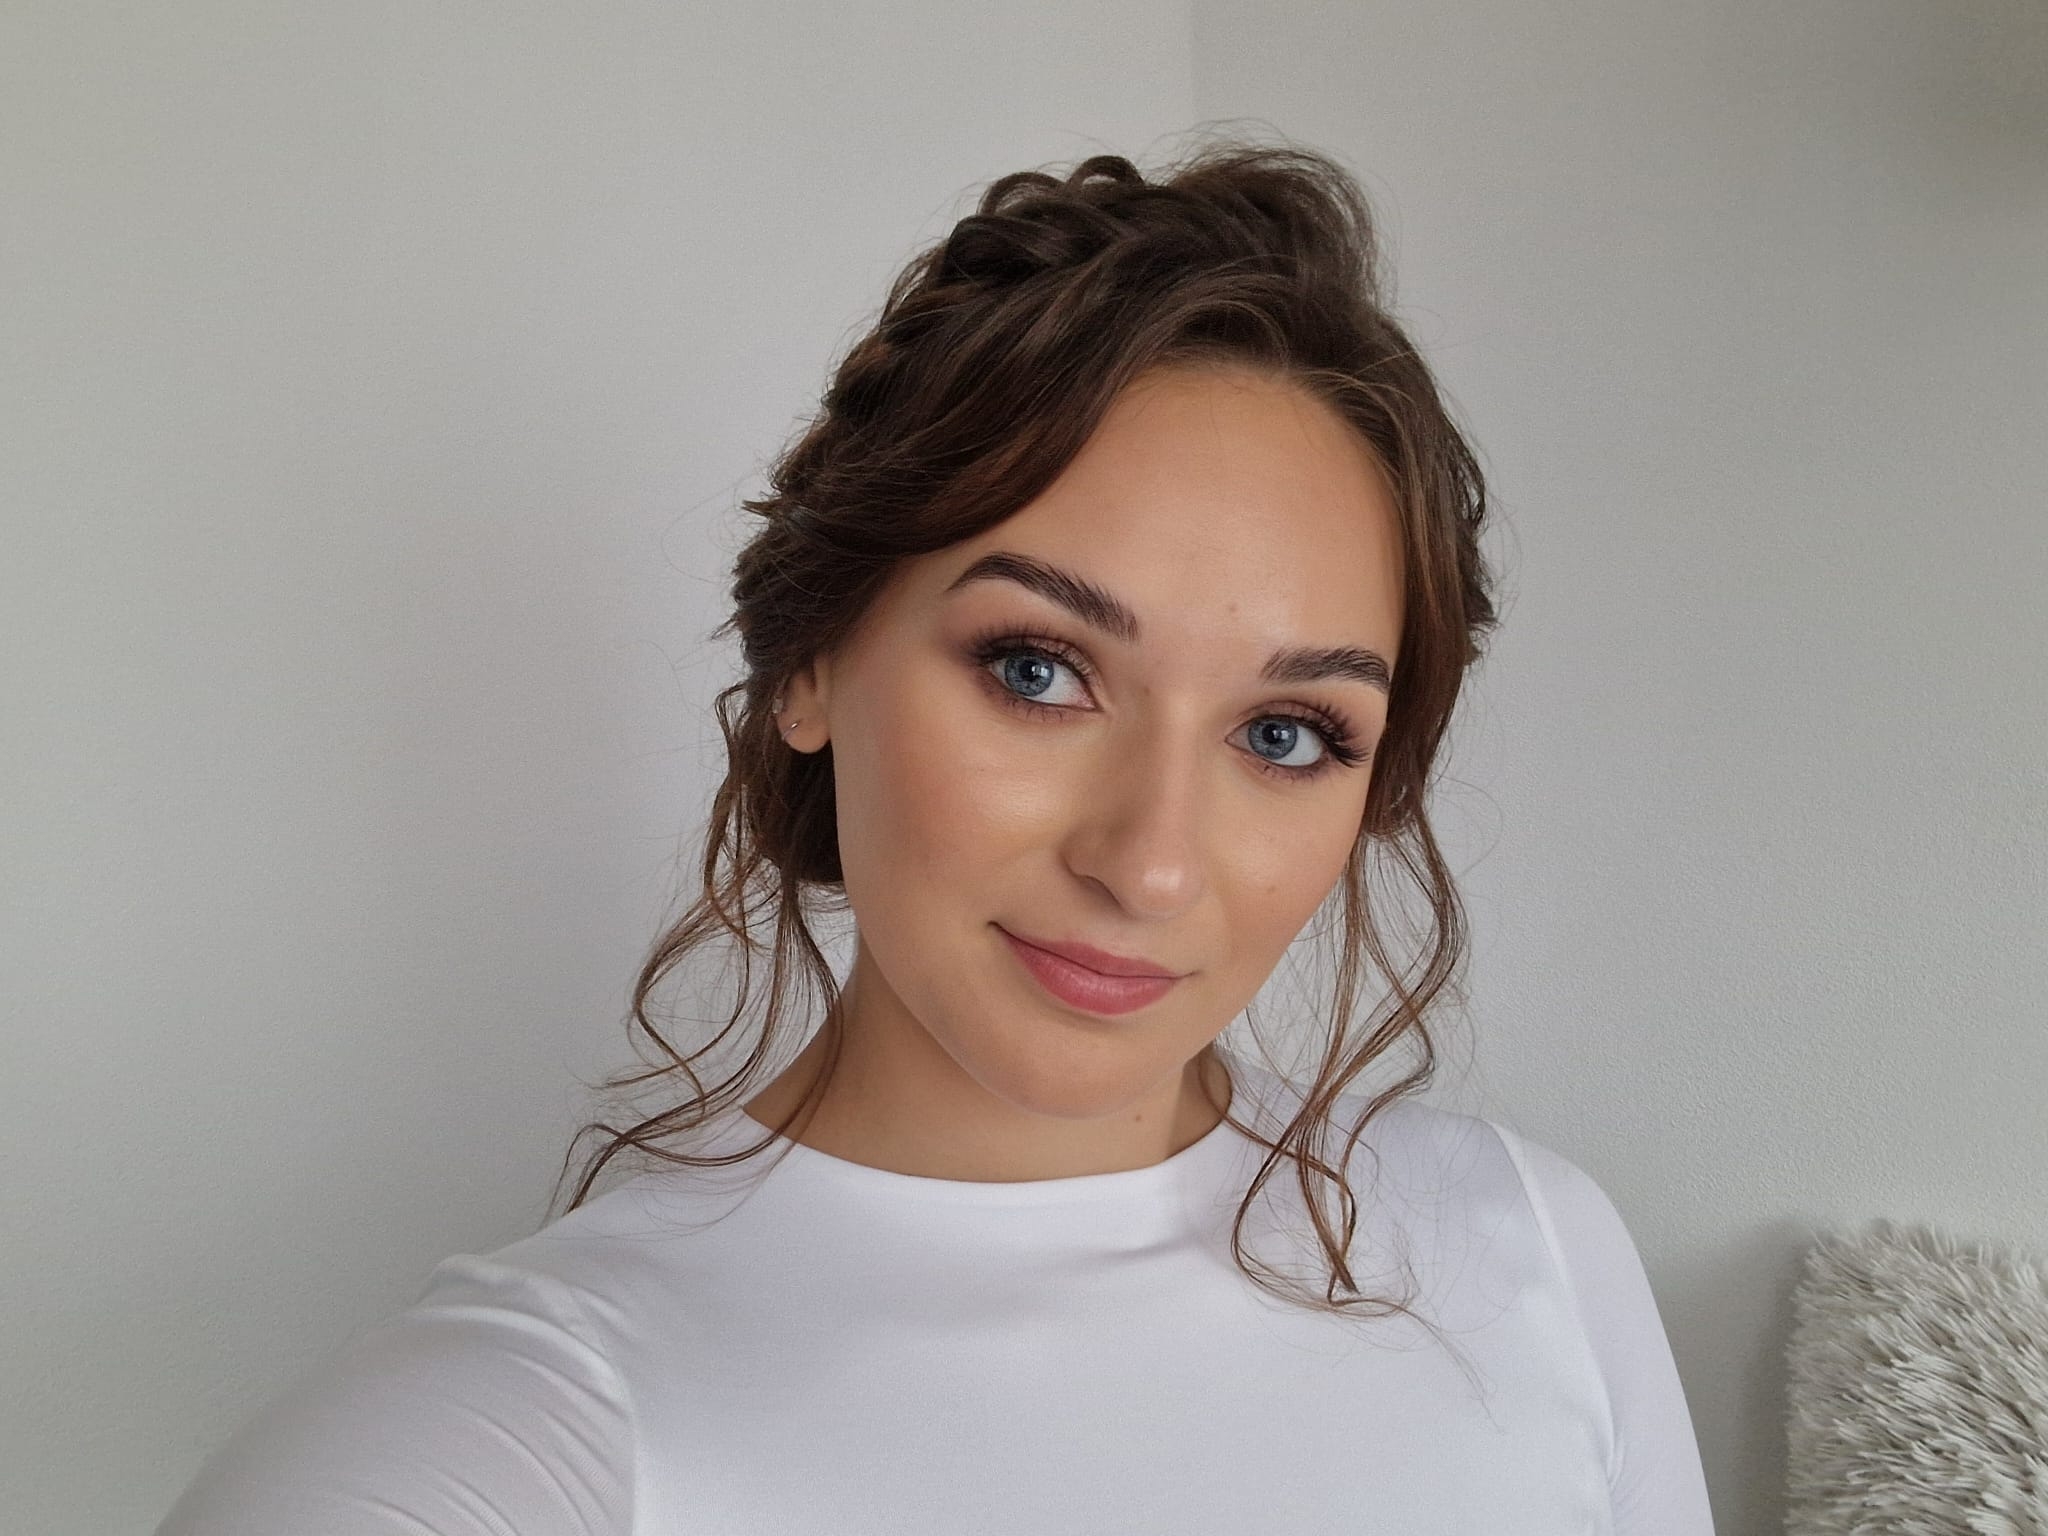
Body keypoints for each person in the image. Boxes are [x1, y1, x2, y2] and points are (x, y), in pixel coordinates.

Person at [156, 137, 1717, 1534]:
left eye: (1284, 734)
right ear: (812, 662)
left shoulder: (1528, 1251)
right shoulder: (532, 1425)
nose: (1152, 865)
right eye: (1038, 670)